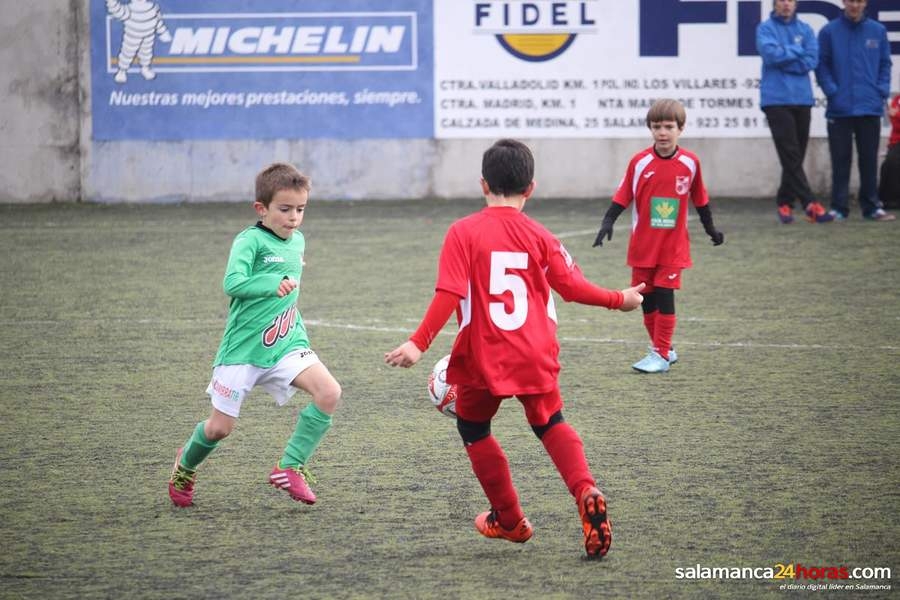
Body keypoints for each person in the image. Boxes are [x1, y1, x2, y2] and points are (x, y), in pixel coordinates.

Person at [384, 139, 645, 558]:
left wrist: (418, 344)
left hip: (483, 352)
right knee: (550, 422)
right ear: (531, 188)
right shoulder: (542, 236)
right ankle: (585, 489)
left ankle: (509, 520)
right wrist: (621, 298)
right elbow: (574, 289)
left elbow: (449, 293)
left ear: (482, 184)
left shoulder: (463, 231)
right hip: (535, 350)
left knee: (473, 429)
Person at [168, 162, 342, 507]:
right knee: (220, 428)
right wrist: (269, 283)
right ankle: (185, 465)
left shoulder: (298, 240)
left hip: (286, 342)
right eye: (285, 209)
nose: (294, 217)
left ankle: (289, 466)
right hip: (243, 350)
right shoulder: (249, 241)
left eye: (301, 209)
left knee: (329, 392)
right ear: (261, 209)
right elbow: (232, 283)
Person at [593, 98, 724, 374]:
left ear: (681, 128)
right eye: (656, 127)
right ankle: (663, 348)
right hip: (643, 247)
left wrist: (711, 229)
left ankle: (661, 355)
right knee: (646, 299)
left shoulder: (690, 163)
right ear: (650, 129)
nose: (662, 132)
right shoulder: (640, 162)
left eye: (668, 126)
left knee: (665, 296)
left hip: (673, 247)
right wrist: (608, 221)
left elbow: (700, 199)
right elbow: (623, 195)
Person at [815, 0, 895, 221]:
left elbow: (884, 65)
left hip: (869, 108)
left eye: (859, 1)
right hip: (839, 109)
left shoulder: (877, 31)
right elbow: (822, 65)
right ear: (843, 2)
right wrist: (833, 92)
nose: (854, 5)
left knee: (869, 160)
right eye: (850, 0)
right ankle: (839, 208)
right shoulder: (829, 31)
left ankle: (871, 207)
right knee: (840, 160)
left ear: (865, 3)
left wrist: (881, 90)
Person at [756, 0, 833, 224]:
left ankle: (784, 202)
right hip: (776, 100)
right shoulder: (765, 29)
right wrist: (795, 52)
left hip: (802, 98)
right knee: (790, 153)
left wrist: (786, 56)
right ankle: (809, 203)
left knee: (795, 155)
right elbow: (771, 56)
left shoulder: (806, 30)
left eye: (790, 0)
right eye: (781, 0)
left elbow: (810, 61)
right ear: (775, 4)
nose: (786, 4)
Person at [878, 90, 900, 210]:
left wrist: (897, 115)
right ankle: (889, 200)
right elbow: (896, 126)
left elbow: (895, 117)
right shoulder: (897, 100)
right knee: (890, 163)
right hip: (897, 141)